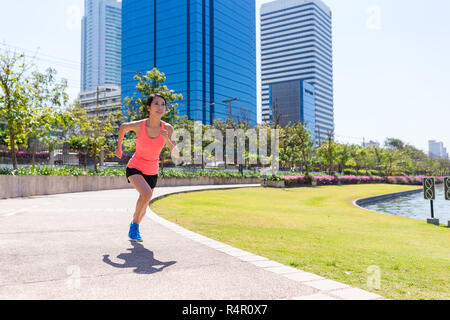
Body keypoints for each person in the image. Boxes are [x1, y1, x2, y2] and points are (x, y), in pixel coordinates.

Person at [115, 93, 179, 242]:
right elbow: (123, 127)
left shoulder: (168, 128)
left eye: (163, 104)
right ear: (148, 108)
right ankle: (135, 227)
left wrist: (166, 139)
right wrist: (119, 149)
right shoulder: (140, 125)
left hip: (152, 171)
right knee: (147, 194)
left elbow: (175, 152)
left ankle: (134, 224)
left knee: (145, 202)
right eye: (156, 104)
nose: (160, 107)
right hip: (135, 167)